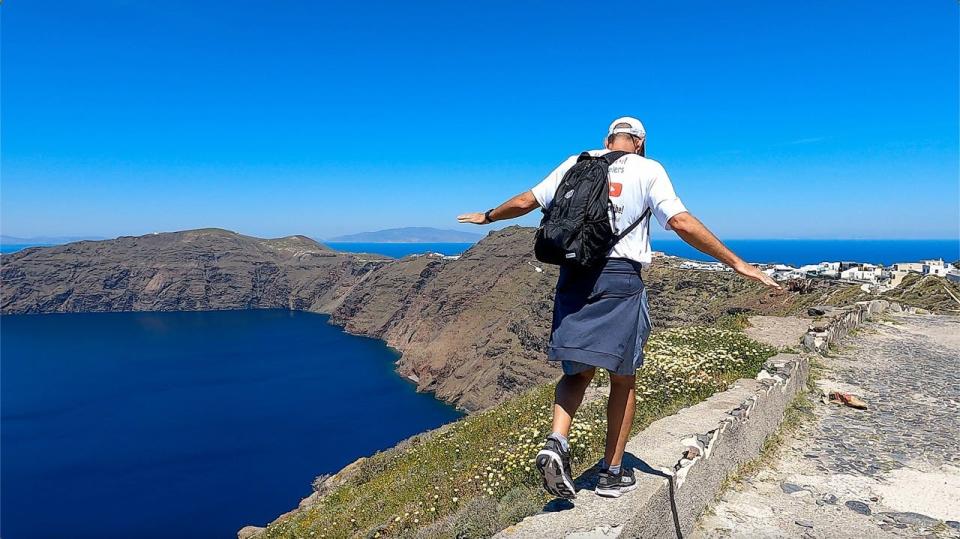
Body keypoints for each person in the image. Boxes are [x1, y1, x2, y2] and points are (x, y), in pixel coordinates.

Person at [457, 117, 781, 499]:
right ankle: (611, 472)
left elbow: (528, 201)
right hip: (620, 280)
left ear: (607, 140)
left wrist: (488, 216)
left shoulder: (577, 163)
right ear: (641, 143)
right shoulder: (649, 169)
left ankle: (557, 440)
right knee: (622, 379)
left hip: (574, 276)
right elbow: (679, 221)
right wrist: (736, 262)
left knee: (577, 373)